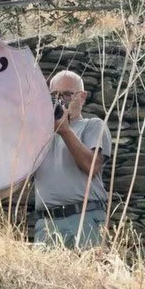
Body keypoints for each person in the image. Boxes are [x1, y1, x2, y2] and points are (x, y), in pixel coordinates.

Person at [33, 69, 112, 249]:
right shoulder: (39, 134)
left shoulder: (93, 125)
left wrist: (65, 130)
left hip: (83, 219)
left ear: (82, 97)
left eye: (68, 94)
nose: (60, 100)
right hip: (47, 223)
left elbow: (91, 166)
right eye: (54, 95)